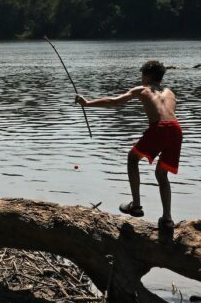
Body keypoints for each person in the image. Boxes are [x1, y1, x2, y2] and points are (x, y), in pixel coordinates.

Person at [75, 60, 182, 230]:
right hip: (176, 130)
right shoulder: (170, 92)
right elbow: (166, 115)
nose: (141, 78)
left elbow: (114, 101)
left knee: (132, 158)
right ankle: (168, 219)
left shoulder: (142, 89)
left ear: (147, 75)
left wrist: (87, 103)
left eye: (142, 74)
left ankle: (136, 206)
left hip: (159, 129)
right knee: (162, 175)